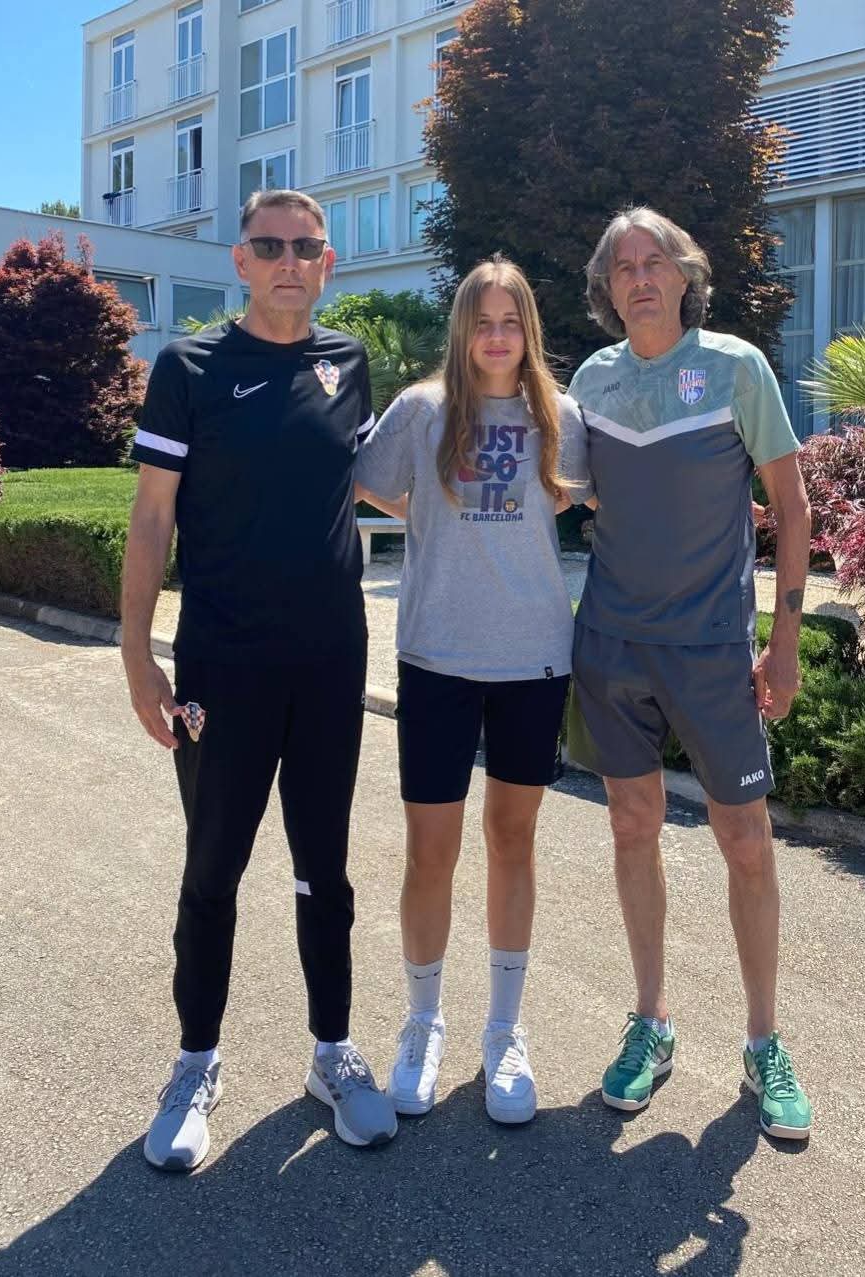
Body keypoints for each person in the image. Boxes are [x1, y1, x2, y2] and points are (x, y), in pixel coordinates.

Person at [121, 188, 397, 1170]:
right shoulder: (189, 367)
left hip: (329, 660)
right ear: (239, 261)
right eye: (269, 245)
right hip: (221, 665)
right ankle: (195, 1062)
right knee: (213, 869)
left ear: (327, 263)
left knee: (326, 866)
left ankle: (333, 1053)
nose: (288, 260)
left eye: (305, 246)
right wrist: (136, 652)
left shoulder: (348, 362)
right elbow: (153, 516)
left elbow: (370, 484)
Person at [567, 208, 813, 1140]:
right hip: (612, 646)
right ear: (608, 289)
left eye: (655, 261)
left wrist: (783, 642)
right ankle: (652, 1021)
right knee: (632, 825)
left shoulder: (737, 368)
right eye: (623, 266)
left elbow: (791, 505)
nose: (639, 277)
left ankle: (764, 1041)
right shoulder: (591, 380)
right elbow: (565, 492)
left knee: (744, 839)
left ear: (684, 276)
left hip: (712, 651)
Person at [355, 256, 590, 1124]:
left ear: (529, 328)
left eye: (510, 321)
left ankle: (504, 1030)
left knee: (513, 840)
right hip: (436, 658)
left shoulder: (561, 416)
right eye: (482, 321)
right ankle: (423, 1021)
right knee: (431, 850)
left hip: (534, 658)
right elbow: (360, 478)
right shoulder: (421, 411)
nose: (497, 336)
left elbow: (577, 500)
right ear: (462, 329)